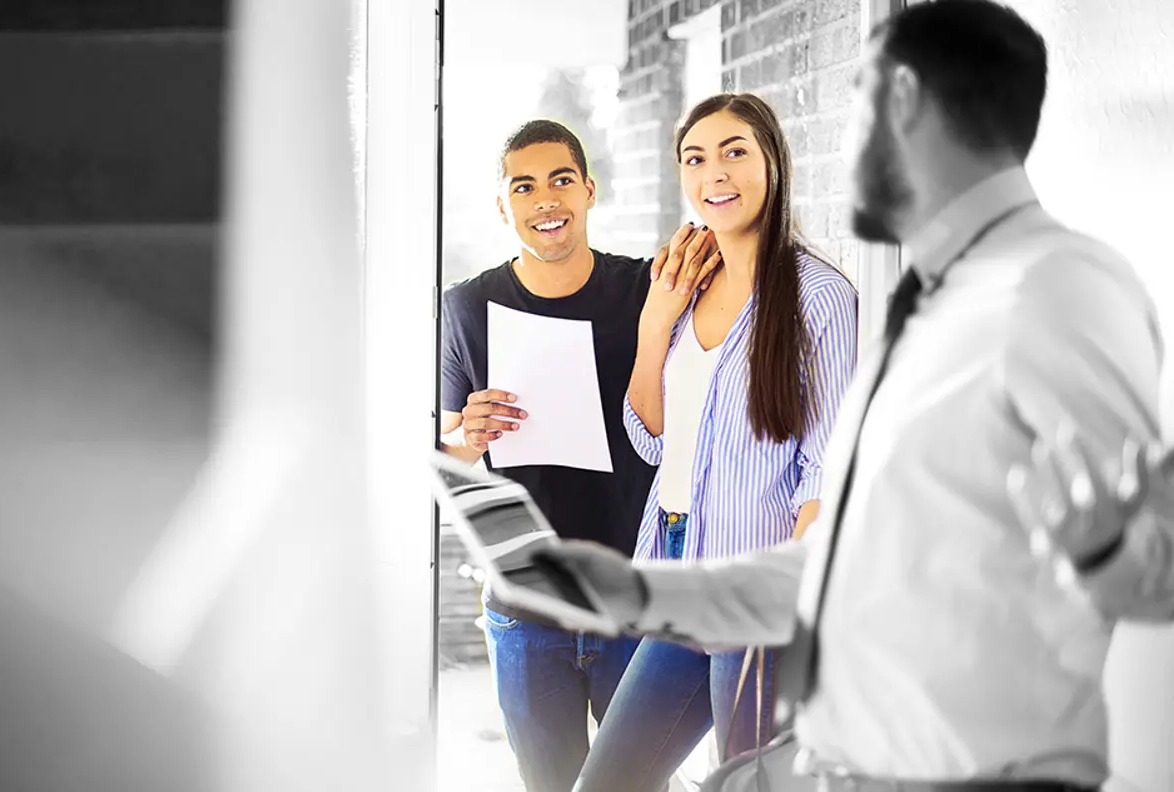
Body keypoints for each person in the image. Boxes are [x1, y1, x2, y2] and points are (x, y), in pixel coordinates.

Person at [542, 1, 1174, 789]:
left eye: (856, 103)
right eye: (694, 159)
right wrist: (642, 585)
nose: (840, 142)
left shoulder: (1054, 285)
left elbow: (1148, 558)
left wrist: (1108, 549)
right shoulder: (934, 299)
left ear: (901, 98)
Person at [571, 92, 857, 792]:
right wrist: (653, 323)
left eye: (735, 151)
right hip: (673, 564)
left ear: (773, 163)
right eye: (695, 158)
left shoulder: (819, 297)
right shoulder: (682, 286)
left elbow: (825, 465)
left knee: (751, 782)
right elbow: (648, 436)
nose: (714, 173)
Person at [438, 119, 715, 792]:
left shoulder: (646, 291)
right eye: (523, 187)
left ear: (589, 191)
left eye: (561, 180)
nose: (545, 200)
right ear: (503, 207)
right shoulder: (468, 308)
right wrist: (466, 437)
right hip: (526, 609)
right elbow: (450, 460)